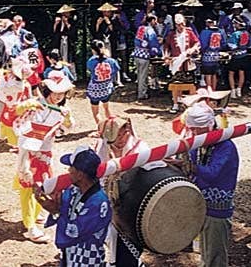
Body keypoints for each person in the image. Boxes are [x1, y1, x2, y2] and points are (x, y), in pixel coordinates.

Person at [93, 116, 165, 266]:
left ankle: (131, 261)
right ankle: (114, 260)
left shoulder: (140, 148)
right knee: (111, 232)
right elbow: (96, 175)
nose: (120, 139)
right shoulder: (101, 148)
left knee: (129, 236)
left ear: (128, 130)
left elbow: (152, 172)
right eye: (115, 136)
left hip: (135, 199)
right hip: (108, 198)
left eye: (122, 134)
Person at [14, 71, 74, 243]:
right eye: (55, 92)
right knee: (28, 187)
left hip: (45, 152)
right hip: (28, 151)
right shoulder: (35, 104)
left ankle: (34, 216)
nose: (58, 96)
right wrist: (27, 106)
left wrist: (68, 118)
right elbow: (17, 116)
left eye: (61, 93)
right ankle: (30, 225)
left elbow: (67, 128)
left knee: (43, 185)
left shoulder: (61, 110)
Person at [35, 146, 112, 267]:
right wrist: (56, 207)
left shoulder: (98, 203)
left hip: (87, 258)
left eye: (71, 168)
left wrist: (55, 211)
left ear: (80, 175)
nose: (69, 170)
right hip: (69, 254)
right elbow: (64, 213)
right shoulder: (74, 190)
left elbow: (74, 232)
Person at [186, 103, 239, 267]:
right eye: (191, 129)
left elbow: (212, 173)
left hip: (217, 210)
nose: (193, 133)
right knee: (205, 252)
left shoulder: (226, 146)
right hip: (201, 205)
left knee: (215, 257)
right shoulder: (200, 144)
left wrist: (190, 167)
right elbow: (191, 160)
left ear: (210, 126)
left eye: (197, 129)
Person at [163, 14, 200, 113]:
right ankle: (175, 104)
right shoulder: (171, 34)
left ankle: (191, 105)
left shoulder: (189, 32)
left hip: (188, 62)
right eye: (178, 25)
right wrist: (166, 56)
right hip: (176, 62)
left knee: (191, 84)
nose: (180, 26)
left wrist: (192, 49)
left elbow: (197, 42)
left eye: (182, 24)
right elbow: (166, 46)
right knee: (175, 84)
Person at [86, 40, 120, 125]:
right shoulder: (112, 61)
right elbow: (116, 70)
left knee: (96, 112)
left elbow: (90, 69)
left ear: (93, 50)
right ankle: (112, 125)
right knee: (106, 108)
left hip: (95, 90)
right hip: (106, 88)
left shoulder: (91, 61)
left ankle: (101, 128)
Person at [132, 15, 160, 100]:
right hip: (144, 54)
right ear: (151, 21)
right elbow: (153, 44)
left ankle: (140, 91)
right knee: (143, 75)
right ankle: (142, 94)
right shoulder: (150, 30)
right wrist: (157, 52)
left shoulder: (140, 28)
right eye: (155, 21)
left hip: (137, 53)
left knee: (139, 74)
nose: (156, 23)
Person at [226, 17, 251, 99]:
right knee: (241, 73)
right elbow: (250, 45)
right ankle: (239, 90)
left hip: (236, 56)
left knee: (231, 73)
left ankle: (233, 91)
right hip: (244, 55)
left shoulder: (235, 34)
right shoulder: (247, 33)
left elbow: (231, 46)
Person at [199, 19, 226, 92]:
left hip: (207, 56)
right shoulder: (220, 32)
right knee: (214, 74)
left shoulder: (205, 32)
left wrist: (202, 51)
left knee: (208, 74)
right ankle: (214, 90)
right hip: (216, 55)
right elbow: (223, 44)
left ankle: (209, 90)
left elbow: (203, 44)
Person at [52, 5, 78, 81]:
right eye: (64, 13)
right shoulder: (58, 22)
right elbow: (54, 33)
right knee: (59, 58)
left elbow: (74, 34)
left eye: (67, 13)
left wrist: (67, 23)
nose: (66, 15)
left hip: (69, 43)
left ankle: (73, 77)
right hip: (60, 43)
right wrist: (56, 24)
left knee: (70, 60)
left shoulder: (72, 21)